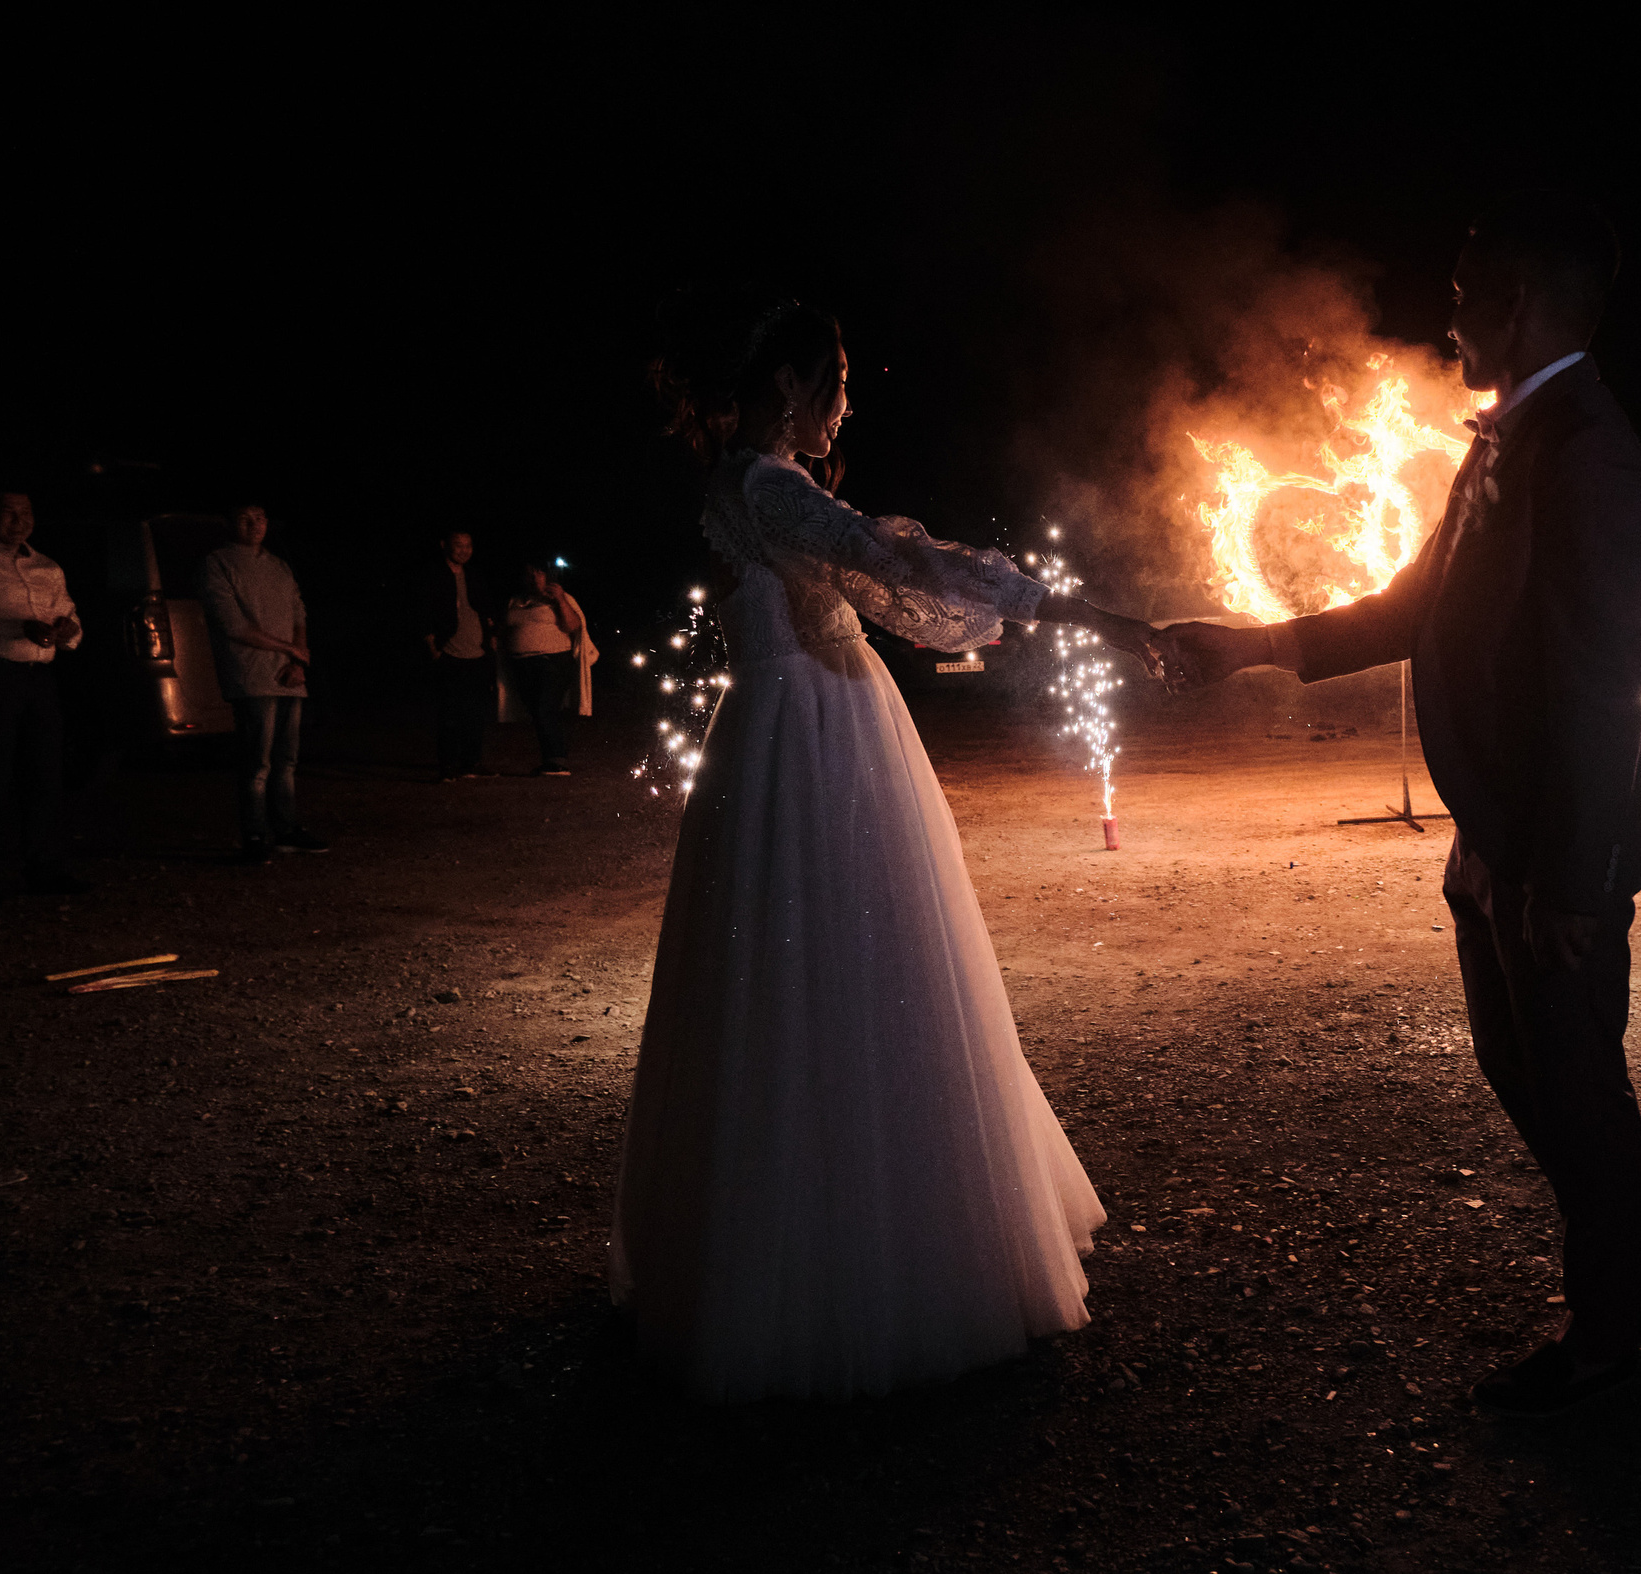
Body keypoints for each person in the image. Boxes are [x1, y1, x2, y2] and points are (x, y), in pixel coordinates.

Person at [1167, 195, 1641, 1416]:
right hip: (1499, 831)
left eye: (1468, 295)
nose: (1451, 317)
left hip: (1552, 845)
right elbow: (1412, 606)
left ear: (1518, 303)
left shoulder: (1584, 454)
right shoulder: (1509, 439)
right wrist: (1243, 647)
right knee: (1522, 1065)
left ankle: (1602, 1344)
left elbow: (1595, 685)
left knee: (1573, 1085)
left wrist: (1567, 882)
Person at [610, 299, 1166, 1402]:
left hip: (778, 728)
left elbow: (885, 573)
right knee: (859, 960)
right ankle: (880, 1260)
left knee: (787, 972)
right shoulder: (773, 488)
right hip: (817, 729)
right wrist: (1092, 616)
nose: (849, 404)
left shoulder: (743, 482)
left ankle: (771, 1238)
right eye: (839, 381)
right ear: (791, 387)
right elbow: (903, 562)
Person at [0, 489, 89, 904]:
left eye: (26, 512)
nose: (19, 521)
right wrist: (14, 628)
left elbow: (70, 615)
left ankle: (45, 866)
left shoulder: (47, 566)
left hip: (38, 675)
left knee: (44, 771)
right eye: (8, 512)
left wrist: (68, 631)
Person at [200, 503, 325, 861]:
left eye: (260, 518)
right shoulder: (218, 563)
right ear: (230, 523)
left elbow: (298, 612)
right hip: (252, 674)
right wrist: (289, 649)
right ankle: (255, 834)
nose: (255, 525)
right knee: (258, 760)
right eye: (245, 518)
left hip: (289, 675)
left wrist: (297, 660)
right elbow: (233, 624)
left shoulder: (278, 566)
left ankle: (285, 828)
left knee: (286, 759)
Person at [421, 529, 496, 781]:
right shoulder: (433, 574)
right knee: (450, 713)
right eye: (458, 545)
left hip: (477, 653)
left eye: (468, 545)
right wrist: (433, 648)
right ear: (444, 545)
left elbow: (486, 608)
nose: (464, 550)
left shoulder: (474, 575)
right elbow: (423, 611)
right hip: (450, 653)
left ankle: (471, 762)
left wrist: (491, 636)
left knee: (475, 712)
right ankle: (448, 765)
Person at [501, 559, 586, 776]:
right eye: (529, 573)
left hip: (553, 661)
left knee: (545, 707)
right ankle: (550, 759)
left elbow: (573, 625)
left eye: (538, 573)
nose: (533, 578)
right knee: (536, 711)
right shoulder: (516, 601)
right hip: (522, 663)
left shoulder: (560, 599)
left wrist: (560, 599)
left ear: (546, 576)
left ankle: (558, 760)